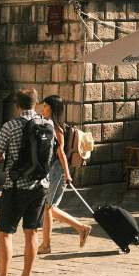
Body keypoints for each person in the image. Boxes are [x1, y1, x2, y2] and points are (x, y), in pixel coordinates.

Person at [0, 90, 54, 276]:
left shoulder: (10, 126)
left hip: (15, 187)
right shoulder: (48, 125)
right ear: (36, 103)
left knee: (5, 234)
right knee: (32, 232)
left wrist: (7, 158)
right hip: (40, 186)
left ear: (17, 105)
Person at [36, 95, 91, 254]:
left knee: (47, 207)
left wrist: (67, 174)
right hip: (53, 170)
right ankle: (81, 228)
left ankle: (46, 245)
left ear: (52, 109)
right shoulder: (50, 124)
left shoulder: (55, 128)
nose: (43, 109)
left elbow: (61, 153)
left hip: (56, 171)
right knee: (50, 208)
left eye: (45, 106)